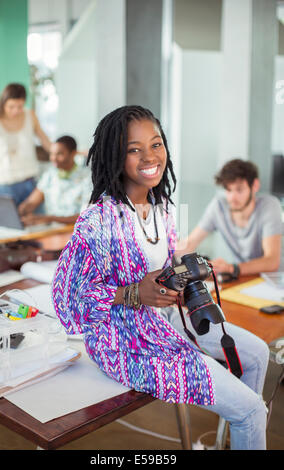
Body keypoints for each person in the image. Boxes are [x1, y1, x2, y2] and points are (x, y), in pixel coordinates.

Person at [52, 106, 269, 450]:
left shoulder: (162, 205)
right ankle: (245, 424)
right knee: (252, 411)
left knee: (258, 354)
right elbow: (67, 300)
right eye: (134, 149)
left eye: (155, 145)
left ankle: (234, 440)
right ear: (114, 157)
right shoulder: (97, 220)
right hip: (127, 340)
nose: (149, 156)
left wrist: (175, 288)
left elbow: (162, 266)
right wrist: (133, 293)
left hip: (166, 318)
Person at [179, 159, 283, 277]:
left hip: (274, 281)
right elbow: (190, 243)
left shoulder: (269, 206)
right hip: (243, 278)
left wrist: (231, 268)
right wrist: (166, 249)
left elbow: (271, 262)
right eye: (228, 190)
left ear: (255, 185)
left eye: (239, 190)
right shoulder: (219, 206)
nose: (232, 197)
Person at [0, 83, 52, 205]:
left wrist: (71, 153)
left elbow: (46, 142)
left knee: (37, 222)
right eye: (11, 107)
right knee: (7, 223)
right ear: (3, 103)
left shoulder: (30, 115)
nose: (16, 111)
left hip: (31, 184)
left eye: (20, 106)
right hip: (5, 187)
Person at [18, 135, 91, 226]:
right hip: (51, 230)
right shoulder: (49, 175)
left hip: (75, 231)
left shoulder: (87, 178)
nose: (53, 158)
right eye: (52, 154)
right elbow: (32, 202)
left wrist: (50, 219)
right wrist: (21, 210)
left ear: (73, 154)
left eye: (59, 154)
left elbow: (86, 216)